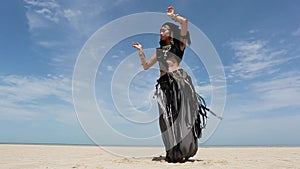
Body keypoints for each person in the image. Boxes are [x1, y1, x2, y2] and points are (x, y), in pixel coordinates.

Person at [132, 6, 208, 163]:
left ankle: (185, 149)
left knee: (181, 117)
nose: (162, 31)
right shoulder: (159, 51)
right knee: (166, 119)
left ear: (171, 32)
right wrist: (140, 51)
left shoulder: (179, 45)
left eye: (165, 29)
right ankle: (173, 151)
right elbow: (146, 66)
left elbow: (185, 23)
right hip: (164, 84)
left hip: (179, 80)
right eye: (161, 29)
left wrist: (173, 16)